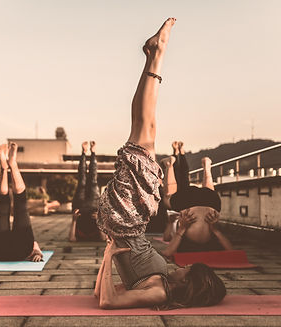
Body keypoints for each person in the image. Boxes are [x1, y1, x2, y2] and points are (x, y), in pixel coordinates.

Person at [95, 18, 226, 310]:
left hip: (126, 221)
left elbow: (105, 301)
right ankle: (154, 56)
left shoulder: (159, 293)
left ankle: (157, 55)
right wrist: (110, 253)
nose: (185, 266)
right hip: (132, 221)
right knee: (145, 133)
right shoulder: (162, 282)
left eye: (188, 270)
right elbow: (103, 292)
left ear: (187, 284)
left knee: (144, 134)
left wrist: (109, 253)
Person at [160, 142, 233, 257]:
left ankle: (207, 167)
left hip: (210, 204)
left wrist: (183, 228)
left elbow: (167, 252)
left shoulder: (208, 242)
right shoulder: (186, 243)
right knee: (168, 198)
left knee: (209, 193)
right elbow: (167, 253)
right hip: (189, 206)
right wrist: (215, 229)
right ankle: (169, 165)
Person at [0, 143, 43, 262]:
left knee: (20, 205)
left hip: (3, 251)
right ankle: (9, 166)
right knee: (2, 206)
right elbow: (36, 247)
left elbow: (34, 244)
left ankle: (10, 166)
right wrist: (37, 253)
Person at [69, 141, 106, 242]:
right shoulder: (96, 234)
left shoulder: (80, 234)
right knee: (92, 179)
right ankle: (92, 153)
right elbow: (103, 238)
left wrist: (74, 221)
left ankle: (84, 153)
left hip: (80, 207)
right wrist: (98, 220)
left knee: (83, 179)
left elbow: (71, 239)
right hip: (93, 207)